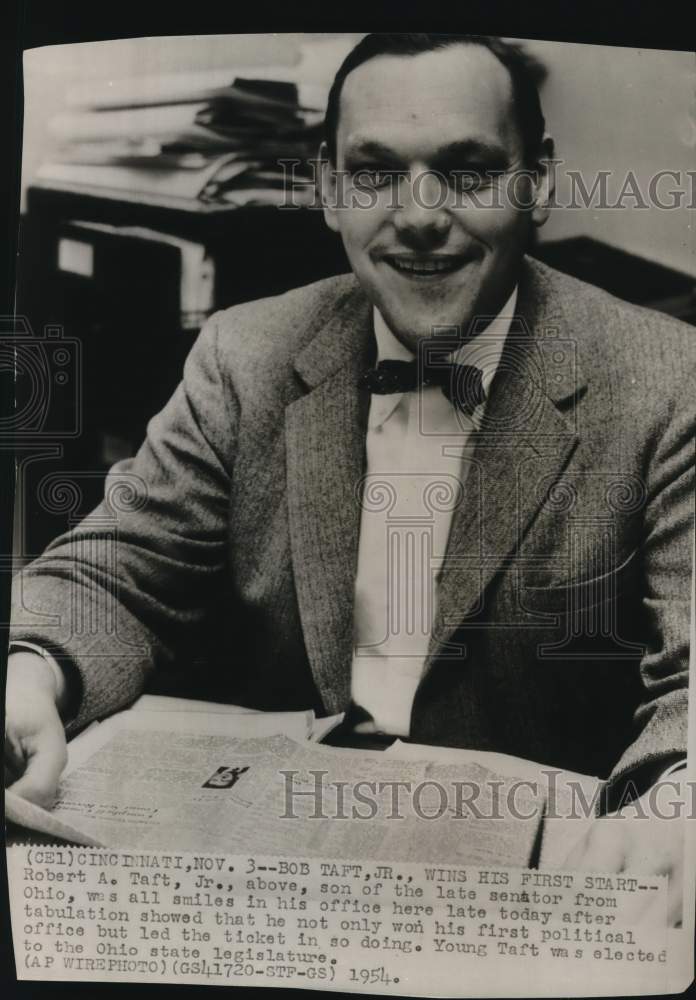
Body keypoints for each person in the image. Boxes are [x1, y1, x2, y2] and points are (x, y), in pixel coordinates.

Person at [6, 34, 693, 922]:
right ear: (328, 188)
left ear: (539, 183)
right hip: (281, 881)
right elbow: (112, 575)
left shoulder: (668, 383)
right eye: (374, 172)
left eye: (469, 170)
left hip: (541, 894)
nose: (417, 215)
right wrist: (30, 670)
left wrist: (677, 804)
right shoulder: (244, 356)